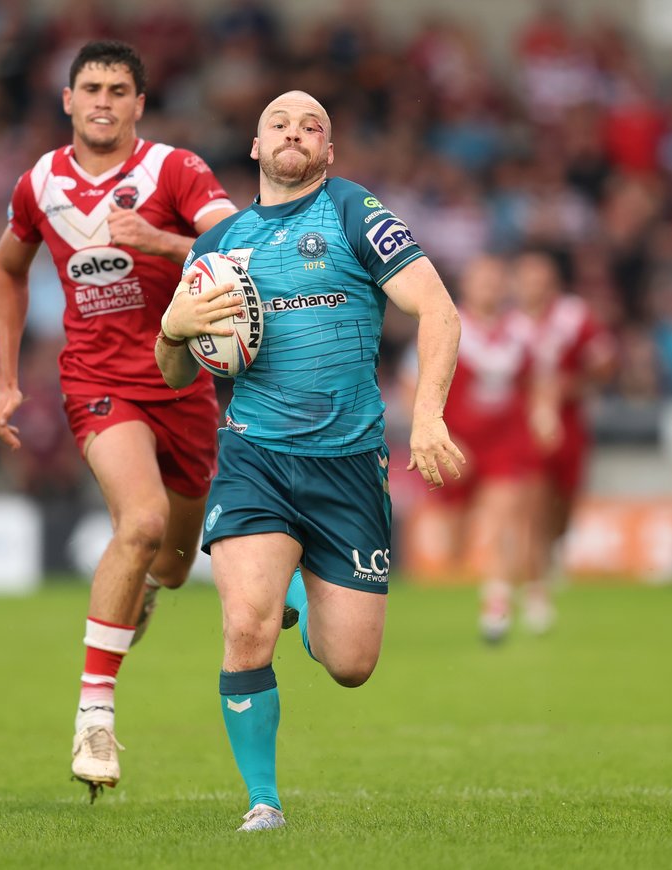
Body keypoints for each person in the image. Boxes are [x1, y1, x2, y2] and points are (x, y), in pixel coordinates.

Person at [155, 90, 464, 831]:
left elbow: (440, 310)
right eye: (280, 124)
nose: (296, 132)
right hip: (256, 455)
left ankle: (306, 611)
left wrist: (425, 417)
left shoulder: (356, 212)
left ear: (327, 152)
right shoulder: (218, 247)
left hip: (350, 464)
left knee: (351, 663)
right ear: (256, 148)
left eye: (313, 126)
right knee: (245, 625)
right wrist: (172, 328)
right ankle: (264, 800)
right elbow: (175, 374)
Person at [0, 40, 237, 797]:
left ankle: (146, 589)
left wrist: (162, 241)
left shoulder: (175, 171)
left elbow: (243, 248)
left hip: (183, 384)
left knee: (175, 563)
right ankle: (95, 715)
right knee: (143, 522)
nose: (102, 100)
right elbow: (6, 268)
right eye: (90, 87)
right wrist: (3, 379)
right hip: (98, 383)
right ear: (67, 99)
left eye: (118, 89)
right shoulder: (39, 184)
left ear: (138, 105)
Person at [420, 254, 559, 643]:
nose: (490, 288)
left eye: (496, 280)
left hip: (507, 441)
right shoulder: (447, 324)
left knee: (507, 518)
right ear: (466, 286)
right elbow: (412, 381)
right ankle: (512, 588)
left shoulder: (521, 332)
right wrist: (434, 425)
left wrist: (545, 414)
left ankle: (496, 602)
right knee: (454, 545)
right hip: (457, 441)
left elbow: (540, 381)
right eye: (482, 280)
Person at [514, 247, 615, 630]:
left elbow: (604, 362)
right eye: (525, 279)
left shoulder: (574, 316)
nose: (531, 287)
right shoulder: (510, 324)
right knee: (533, 508)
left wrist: (572, 385)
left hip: (569, 426)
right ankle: (537, 594)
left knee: (564, 510)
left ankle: (551, 552)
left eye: (538, 279)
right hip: (522, 429)